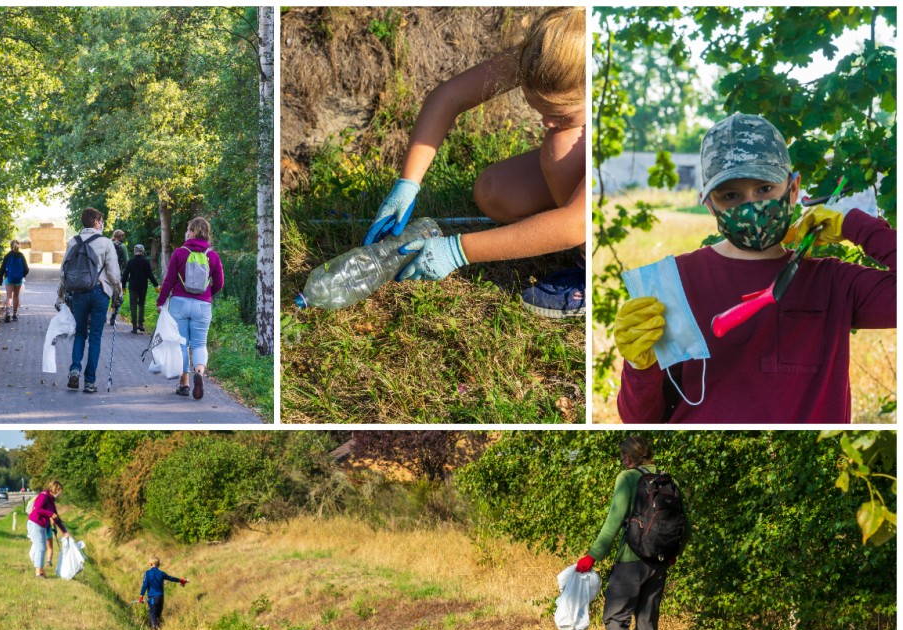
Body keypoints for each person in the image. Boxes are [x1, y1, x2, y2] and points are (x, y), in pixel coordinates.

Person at [615, 112, 896, 423]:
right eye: (731, 196)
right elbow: (641, 422)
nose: (751, 207)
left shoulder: (834, 282)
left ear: (793, 189)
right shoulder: (674, 284)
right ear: (710, 205)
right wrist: (640, 367)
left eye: (764, 189)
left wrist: (857, 226)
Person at [363, 7, 585, 319]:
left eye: (560, 114)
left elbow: (577, 222)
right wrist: (407, 184)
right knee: (495, 191)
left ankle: (594, 270)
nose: (545, 123)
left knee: (561, 146)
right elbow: (449, 97)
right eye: (539, 110)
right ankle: (560, 239)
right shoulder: (548, 53)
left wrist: (457, 251)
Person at [574, 436, 689, 630]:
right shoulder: (670, 480)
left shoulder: (627, 477)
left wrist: (593, 556)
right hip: (660, 561)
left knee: (614, 619)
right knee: (647, 620)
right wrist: (673, 555)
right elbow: (687, 525)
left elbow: (613, 521)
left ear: (628, 457)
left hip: (631, 559)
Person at [156, 216, 224, 401]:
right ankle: (199, 373)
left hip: (179, 303)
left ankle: (184, 384)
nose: (187, 232)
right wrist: (208, 294)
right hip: (203, 304)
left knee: (182, 344)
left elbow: (169, 280)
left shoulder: (179, 253)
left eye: (188, 229)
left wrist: (160, 302)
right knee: (200, 344)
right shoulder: (213, 255)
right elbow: (219, 283)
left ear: (192, 231)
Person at [57, 207, 124, 394]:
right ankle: (90, 382)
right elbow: (113, 273)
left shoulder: (73, 242)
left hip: (78, 293)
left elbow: (63, 271)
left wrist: (60, 295)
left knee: (80, 333)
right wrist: (118, 295)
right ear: (96, 222)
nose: (102, 223)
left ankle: (74, 369)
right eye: (101, 220)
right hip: (100, 293)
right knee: (95, 336)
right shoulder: (105, 243)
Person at [27, 480, 67, 578]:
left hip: (42, 525)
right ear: (55, 489)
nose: (59, 494)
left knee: (41, 548)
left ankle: (40, 570)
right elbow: (37, 509)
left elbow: (56, 517)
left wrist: (64, 531)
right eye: (59, 491)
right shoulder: (43, 496)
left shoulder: (51, 500)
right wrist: (50, 514)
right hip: (35, 523)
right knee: (41, 548)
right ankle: (38, 573)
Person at [138, 556, 188, 630]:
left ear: (150, 564)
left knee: (152, 613)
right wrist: (181, 580)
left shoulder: (147, 573)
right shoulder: (161, 573)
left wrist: (141, 596)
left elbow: (145, 585)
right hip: (161, 598)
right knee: (158, 615)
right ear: (159, 564)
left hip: (152, 598)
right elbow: (171, 578)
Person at [122, 244, 159, 333]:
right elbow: (150, 275)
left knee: (133, 305)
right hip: (143, 286)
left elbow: (125, 275)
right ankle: (141, 324)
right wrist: (156, 285)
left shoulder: (130, 262)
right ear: (143, 251)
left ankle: (134, 326)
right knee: (141, 304)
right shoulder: (146, 261)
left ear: (135, 251)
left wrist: (123, 286)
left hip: (133, 287)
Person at [0, 239, 30, 322]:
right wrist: (22, 275)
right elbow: (26, 269)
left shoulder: (8, 255)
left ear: (10, 246)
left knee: (9, 296)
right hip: (18, 279)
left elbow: (2, 268)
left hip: (9, 278)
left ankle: (8, 313)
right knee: (16, 296)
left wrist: (0, 278)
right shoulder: (21, 256)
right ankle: (14, 315)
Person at [109, 230, 130, 326]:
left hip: (105, 274)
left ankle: (102, 316)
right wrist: (127, 275)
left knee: (105, 294)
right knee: (116, 296)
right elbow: (126, 262)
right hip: (117, 274)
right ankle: (113, 317)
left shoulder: (108, 244)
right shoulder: (122, 246)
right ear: (121, 236)